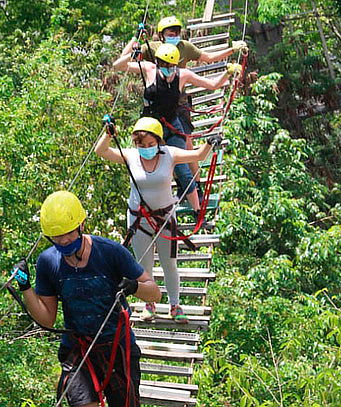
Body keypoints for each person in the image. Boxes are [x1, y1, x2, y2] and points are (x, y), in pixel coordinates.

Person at [12, 190, 161, 407]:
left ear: (81, 225)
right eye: (56, 237)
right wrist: (25, 287)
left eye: (68, 233)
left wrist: (133, 286)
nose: (63, 241)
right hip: (78, 348)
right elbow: (47, 320)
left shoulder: (110, 252)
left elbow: (154, 292)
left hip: (116, 348)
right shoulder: (48, 262)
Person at [94, 116, 222, 322]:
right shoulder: (131, 156)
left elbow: (197, 154)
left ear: (159, 141)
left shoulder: (169, 154)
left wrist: (209, 142)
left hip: (164, 218)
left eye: (151, 144)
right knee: (144, 265)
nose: (146, 148)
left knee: (169, 263)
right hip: (139, 220)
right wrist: (108, 134)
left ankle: (175, 306)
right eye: (141, 144)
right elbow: (101, 151)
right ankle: (149, 304)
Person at [113, 42, 240, 221]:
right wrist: (132, 54)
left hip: (171, 126)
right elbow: (118, 66)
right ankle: (149, 209)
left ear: (176, 64)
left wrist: (228, 72)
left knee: (182, 169)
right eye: (163, 64)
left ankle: (197, 210)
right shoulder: (149, 69)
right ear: (157, 62)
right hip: (149, 128)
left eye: (170, 65)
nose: (166, 68)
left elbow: (212, 85)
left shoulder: (183, 75)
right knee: (144, 166)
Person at [139, 15, 247, 199]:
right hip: (156, 105)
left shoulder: (184, 47)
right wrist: (136, 39)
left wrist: (232, 50)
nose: (174, 35)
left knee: (185, 143)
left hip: (178, 102)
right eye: (170, 33)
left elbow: (208, 57)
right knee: (162, 149)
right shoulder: (150, 49)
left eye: (177, 32)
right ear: (161, 34)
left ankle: (195, 185)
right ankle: (181, 184)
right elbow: (133, 62)